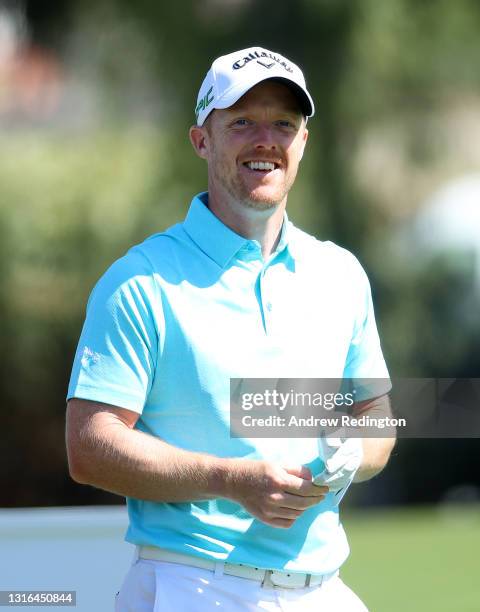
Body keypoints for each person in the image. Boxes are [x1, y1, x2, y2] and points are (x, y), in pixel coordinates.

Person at [66, 46, 395, 611]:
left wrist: (349, 453)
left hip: (323, 588)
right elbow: (89, 447)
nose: (265, 139)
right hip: (191, 583)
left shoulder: (340, 274)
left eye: (283, 124)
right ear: (202, 140)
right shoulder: (140, 281)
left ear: (303, 144)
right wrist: (230, 479)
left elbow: (376, 418)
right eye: (241, 121)